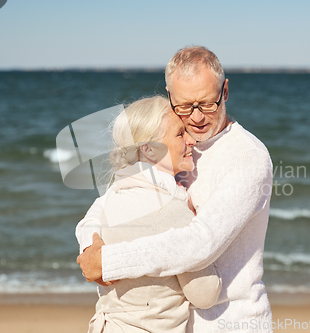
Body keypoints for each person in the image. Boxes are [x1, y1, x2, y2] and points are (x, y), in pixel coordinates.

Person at [77, 46, 274, 333]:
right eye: (184, 106)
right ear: (169, 95)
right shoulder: (171, 147)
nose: (196, 118)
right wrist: (88, 247)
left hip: (231, 321)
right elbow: (104, 204)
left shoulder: (247, 156)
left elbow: (199, 243)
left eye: (208, 103)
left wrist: (109, 262)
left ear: (225, 91)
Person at [76, 96, 222, 333]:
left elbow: (88, 222)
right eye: (179, 134)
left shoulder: (113, 196)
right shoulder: (171, 211)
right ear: (149, 150)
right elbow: (205, 294)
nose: (190, 140)